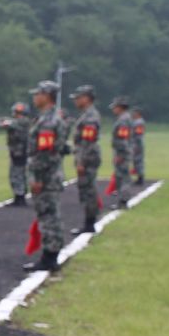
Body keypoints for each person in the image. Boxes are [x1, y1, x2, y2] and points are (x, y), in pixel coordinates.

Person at [24, 80, 67, 272]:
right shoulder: (48, 118)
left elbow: (45, 153)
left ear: (46, 96)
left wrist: (38, 178)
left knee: (48, 216)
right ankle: (50, 255)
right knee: (50, 215)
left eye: (38, 94)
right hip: (50, 175)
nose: (35, 97)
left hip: (46, 177)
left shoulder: (48, 121)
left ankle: (50, 257)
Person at [69, 85, 103, 234]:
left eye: (78, 97)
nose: (76, 101)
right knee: (87, 189)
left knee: (88, 190)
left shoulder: (90, 117)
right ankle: (89, 221)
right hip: (87, 156)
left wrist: (81, 161)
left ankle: (89, 223)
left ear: (86, 98)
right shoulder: (87, 115)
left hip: (87, 157)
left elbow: (87, 142)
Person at [0, 102, 33, 205]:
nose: (15, 114)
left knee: (17, 175)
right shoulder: (21, 121)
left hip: (20, 152)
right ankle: (19, 197)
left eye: (17, 112)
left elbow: (6, 123)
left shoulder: (22, 122)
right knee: (18, 174)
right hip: (18, 152)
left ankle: (20, 197)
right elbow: (6, 120)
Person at [109, 96, 136, 209]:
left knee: (123, 177)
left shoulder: (123, 120)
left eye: (115, 107)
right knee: (121, 177)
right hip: (123, 152)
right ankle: (122, 200)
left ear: (120, 107)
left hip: (122, 153)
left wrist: (120, 154)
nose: (113, 109)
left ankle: (123, 201)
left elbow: (122, 139)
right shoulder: (125, 118)